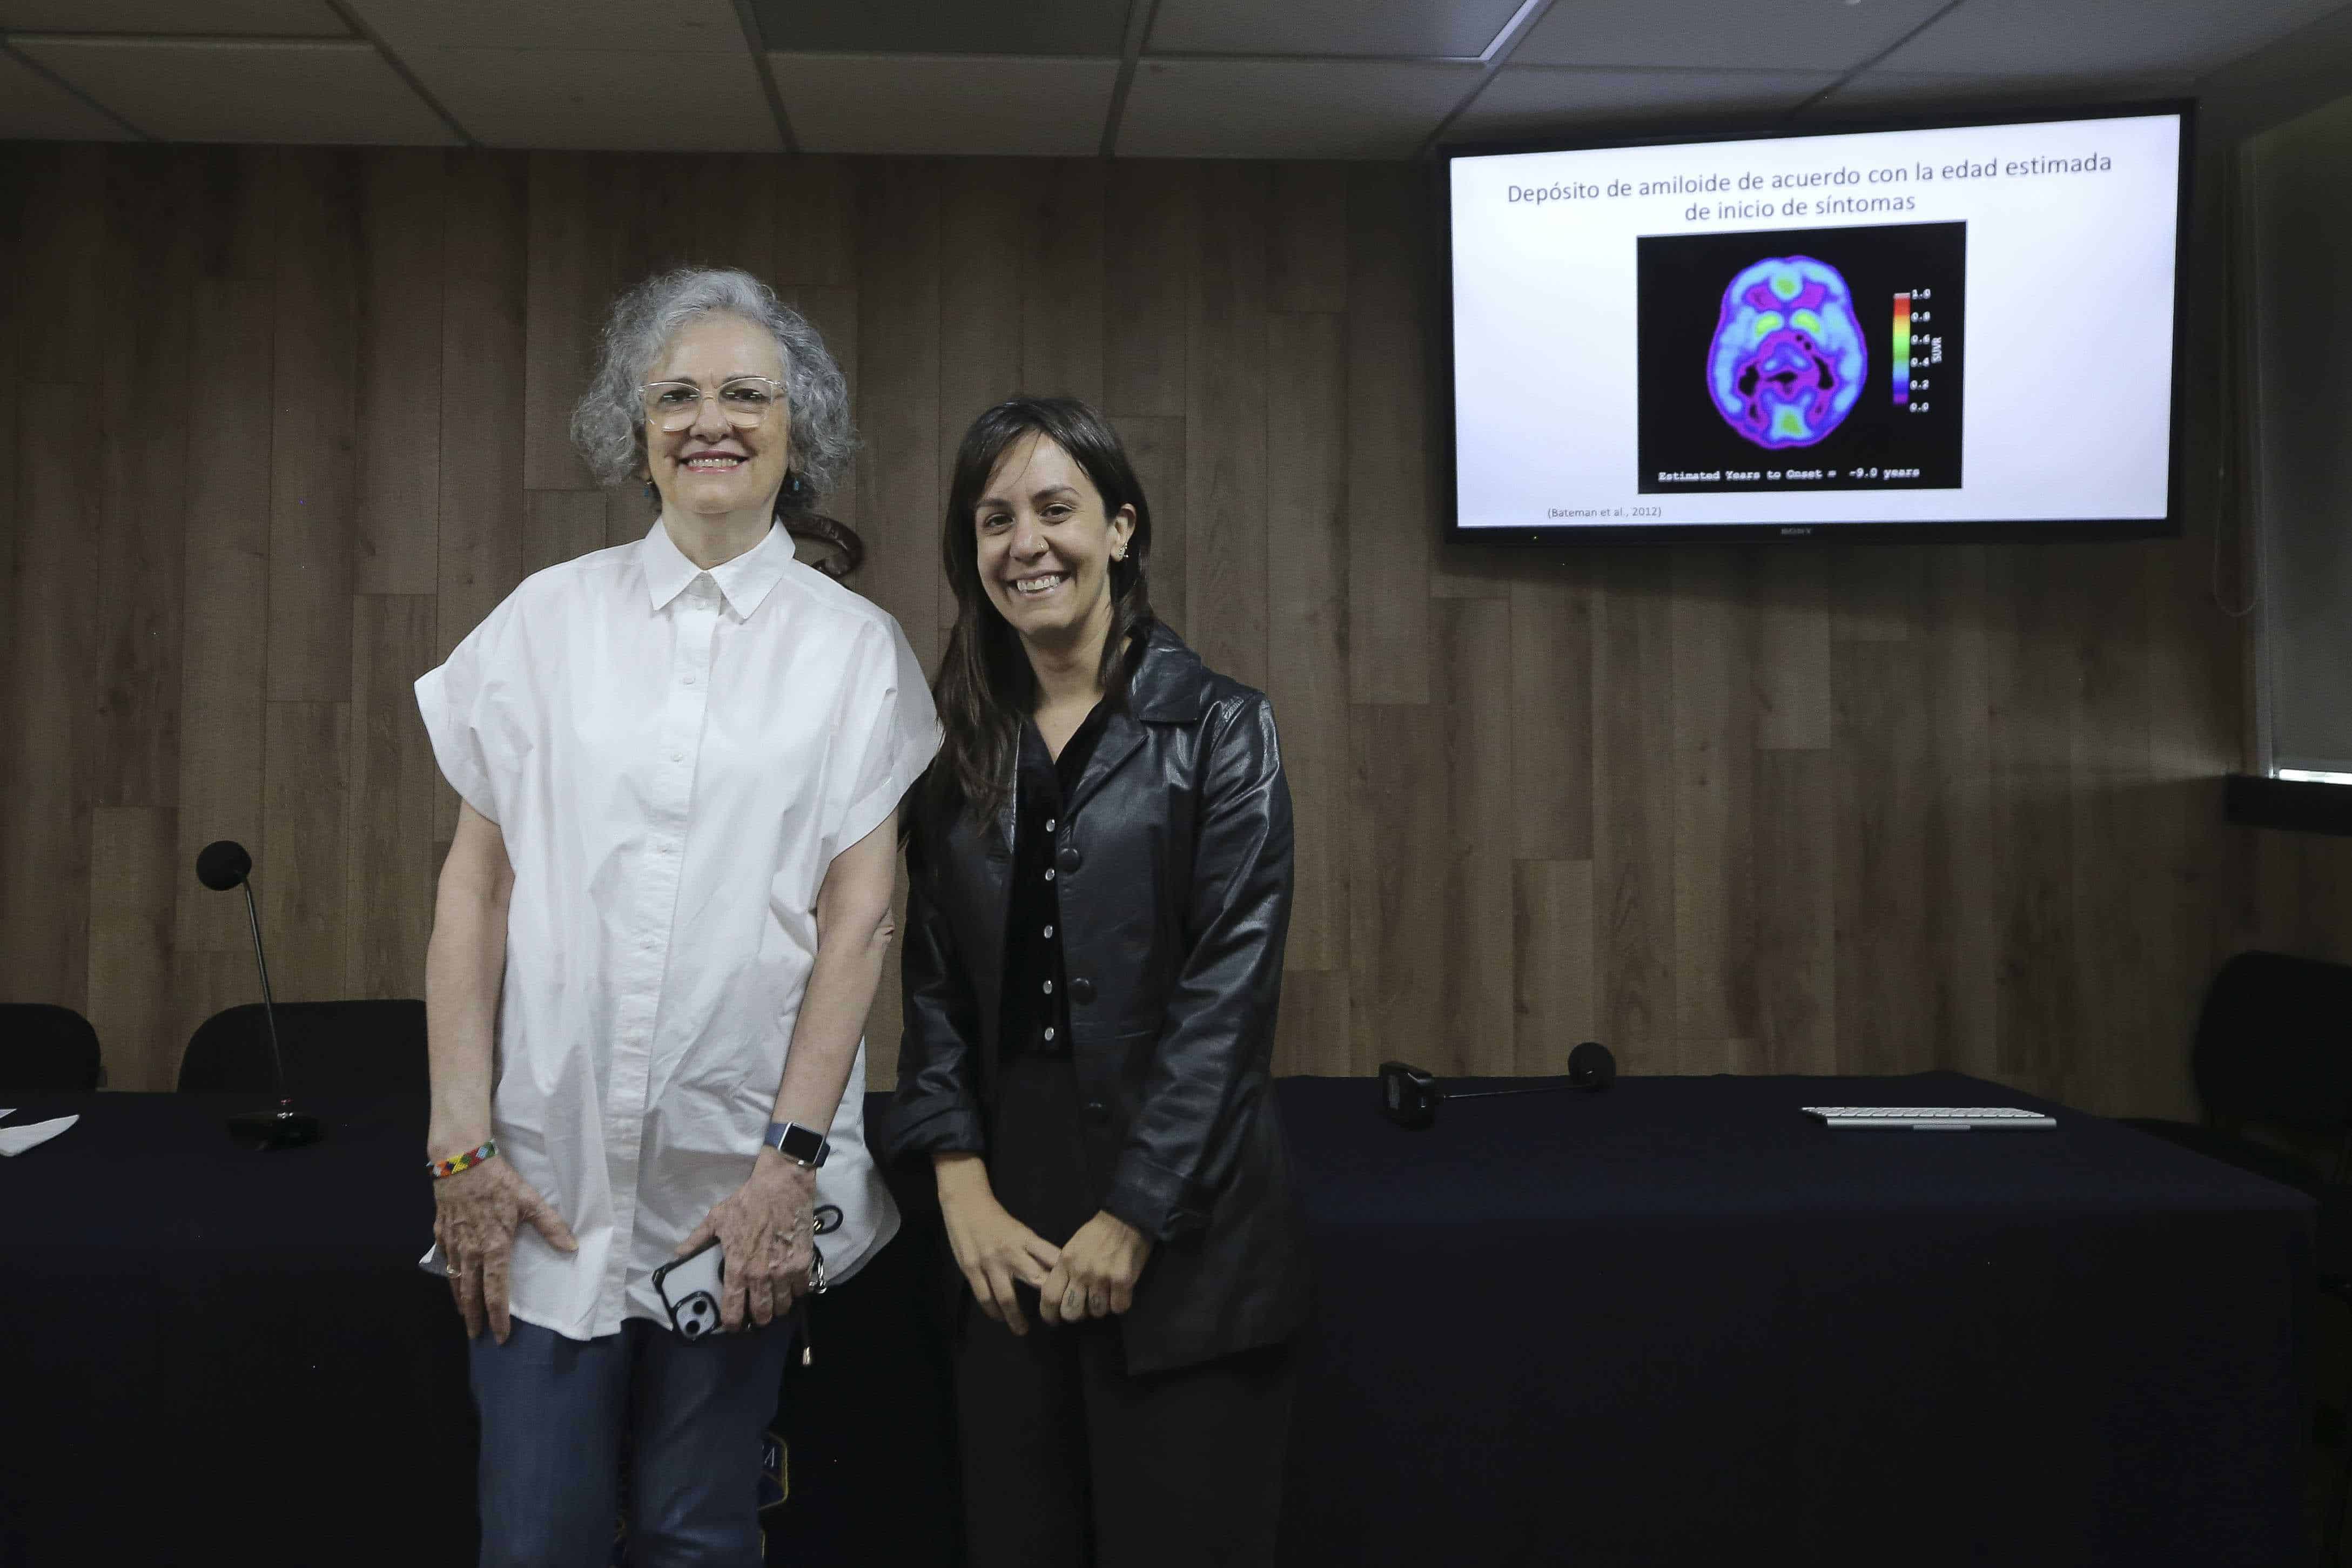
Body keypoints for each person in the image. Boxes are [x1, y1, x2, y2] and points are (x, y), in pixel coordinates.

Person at [415, 266, 937, 1567]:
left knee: (701, 1534)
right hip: (539, 1180)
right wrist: (460, 1150)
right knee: (534, 1539)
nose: (711, 419)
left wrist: (789, 1168)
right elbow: (475, 891)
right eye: (679, 395)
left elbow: (860, 921)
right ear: (634, 429)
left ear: (795, 429)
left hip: (740, 1185)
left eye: (746, 394)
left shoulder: (854, 650)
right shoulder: (544, 623)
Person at [886, 397, 1312, 1567]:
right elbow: (930, 990)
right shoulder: (951, 747)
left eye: (1055, 509)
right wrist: (959, 1190)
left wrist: (1133, 1214)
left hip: (1183, 1235)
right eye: (993, 519)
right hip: (1000, 1237)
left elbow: (1226, 1005)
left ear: (1120, 529)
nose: (1025, 544)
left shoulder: (1225, 729)